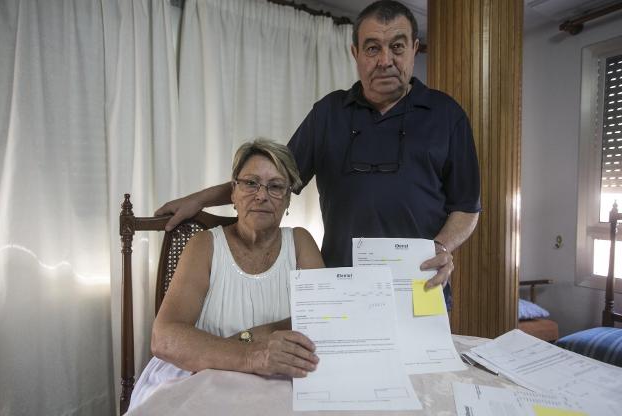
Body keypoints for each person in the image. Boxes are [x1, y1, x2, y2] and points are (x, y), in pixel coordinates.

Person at [155, 0, 480, 304]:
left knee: (425, 367)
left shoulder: (447, 115)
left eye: (396, 46)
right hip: (342, 287)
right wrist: (199, 199)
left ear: (414, 49)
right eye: (372, 48)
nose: (385, 60)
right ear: (355, 53)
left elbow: (466, 208)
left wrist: (441, 247)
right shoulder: (329, 113)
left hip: (419, 284)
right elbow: (270, 181)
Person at [129, 139, 325, 410]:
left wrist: (254, 333)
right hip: (204, 376)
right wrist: (252, 355)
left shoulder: (301, 242)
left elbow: (326, 322)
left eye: (276, 186)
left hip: (280, 381)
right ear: (233, 192)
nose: (261, 195)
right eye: (250, 183)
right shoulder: (205, 246)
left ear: (288, 199)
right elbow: (164, 337)